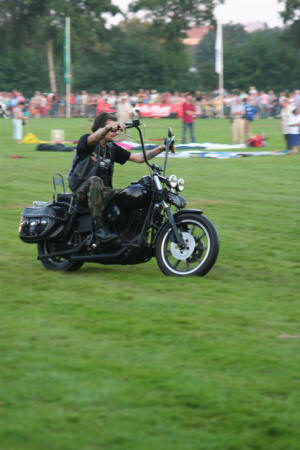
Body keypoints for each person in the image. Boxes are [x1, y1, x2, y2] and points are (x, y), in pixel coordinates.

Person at [68, 112, 174, 242]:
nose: (115, 131)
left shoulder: (112, 148)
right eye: (112, 128)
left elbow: (139, 158)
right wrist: (108, 128)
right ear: (100, 128)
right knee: (96, 181)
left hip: (103, 193)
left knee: (130, 195)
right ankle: (98, 227)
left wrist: (162, 148)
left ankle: (128, 236)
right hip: (82, 193)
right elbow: (93, 138)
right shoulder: (87, 142)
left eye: (116, 128)